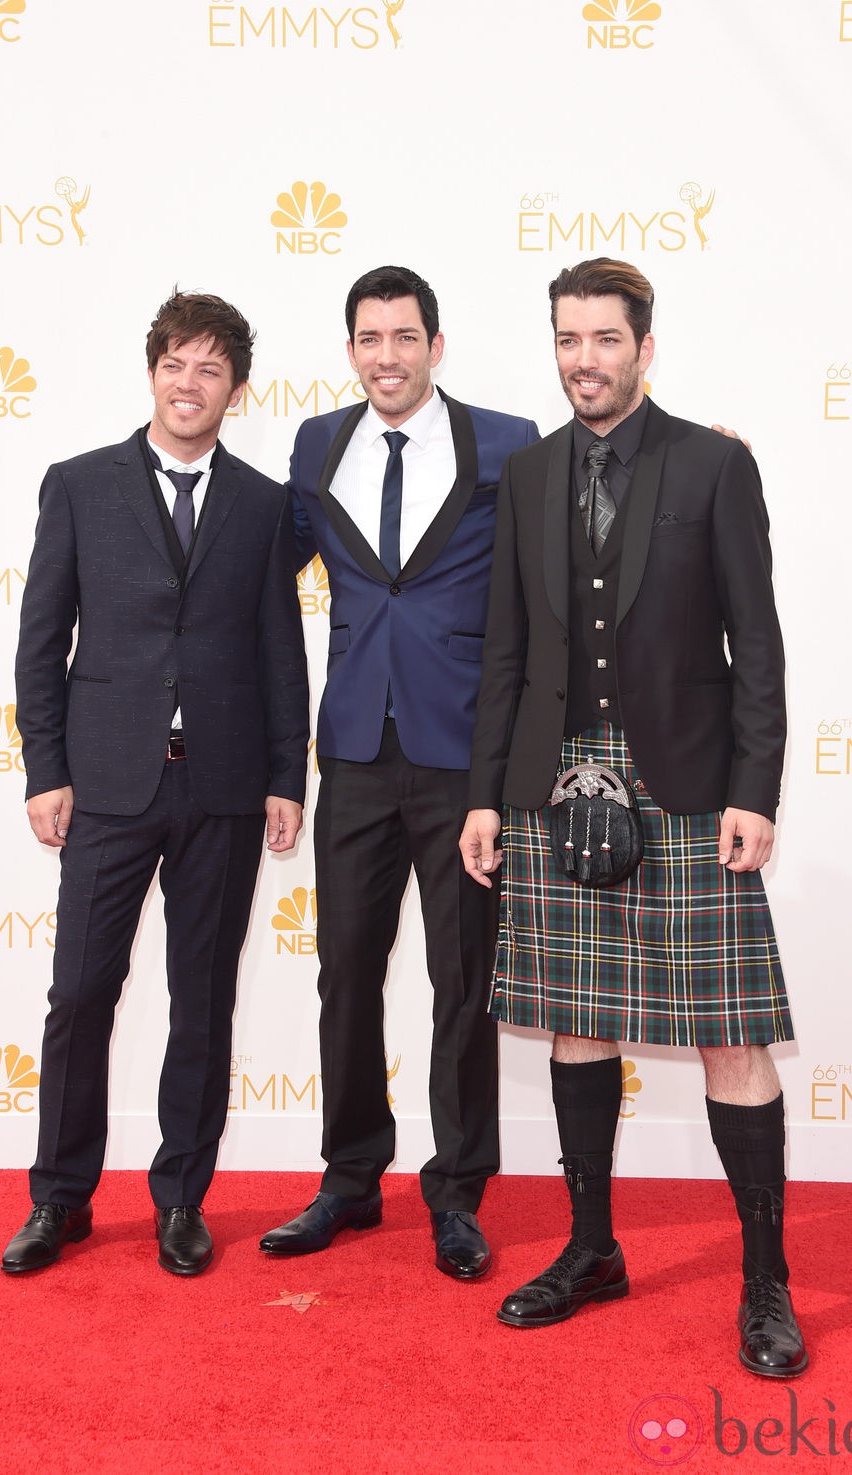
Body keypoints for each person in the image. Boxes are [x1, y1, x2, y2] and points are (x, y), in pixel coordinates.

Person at [459, 258, 806, 1377]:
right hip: (558, 779)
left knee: (727, 1032)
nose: (582, 360)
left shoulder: (712, 464)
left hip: (689, 779)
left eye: (603, 340)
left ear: (642, 348)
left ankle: (764, 1279)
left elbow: (753, 640)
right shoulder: (526, 473)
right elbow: (506, 649)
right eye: (566, 339)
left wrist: (753, 786)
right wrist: (486, 792)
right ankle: (592, 1246)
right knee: (574, 1016)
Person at [2, 290, 309, 1278]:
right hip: (106, 786)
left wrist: (282, 772)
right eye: (176, 362)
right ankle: (60, 1198)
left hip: (219, 787)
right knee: (81, 992)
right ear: (152, 370)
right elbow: (42, 638)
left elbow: (278, 648)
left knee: (202, 999)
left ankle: (181, 1196)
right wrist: (45, 769)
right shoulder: (81, 485)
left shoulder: (263, 505)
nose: (190, 383)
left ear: (234, 388)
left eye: (210, 368)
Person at [259, 266, 539, 1278]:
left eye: (404, 336)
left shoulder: (506, 442)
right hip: (353, 754)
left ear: (435, 344)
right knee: (345, 972)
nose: (387, 355)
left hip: (465, 759)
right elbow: (265, 567)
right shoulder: (314, 442)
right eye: (369, 338)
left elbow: (568, 539)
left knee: (461, 981)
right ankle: (349, 1174)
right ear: (349, 350)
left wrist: (703, 464)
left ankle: (456, 1188)